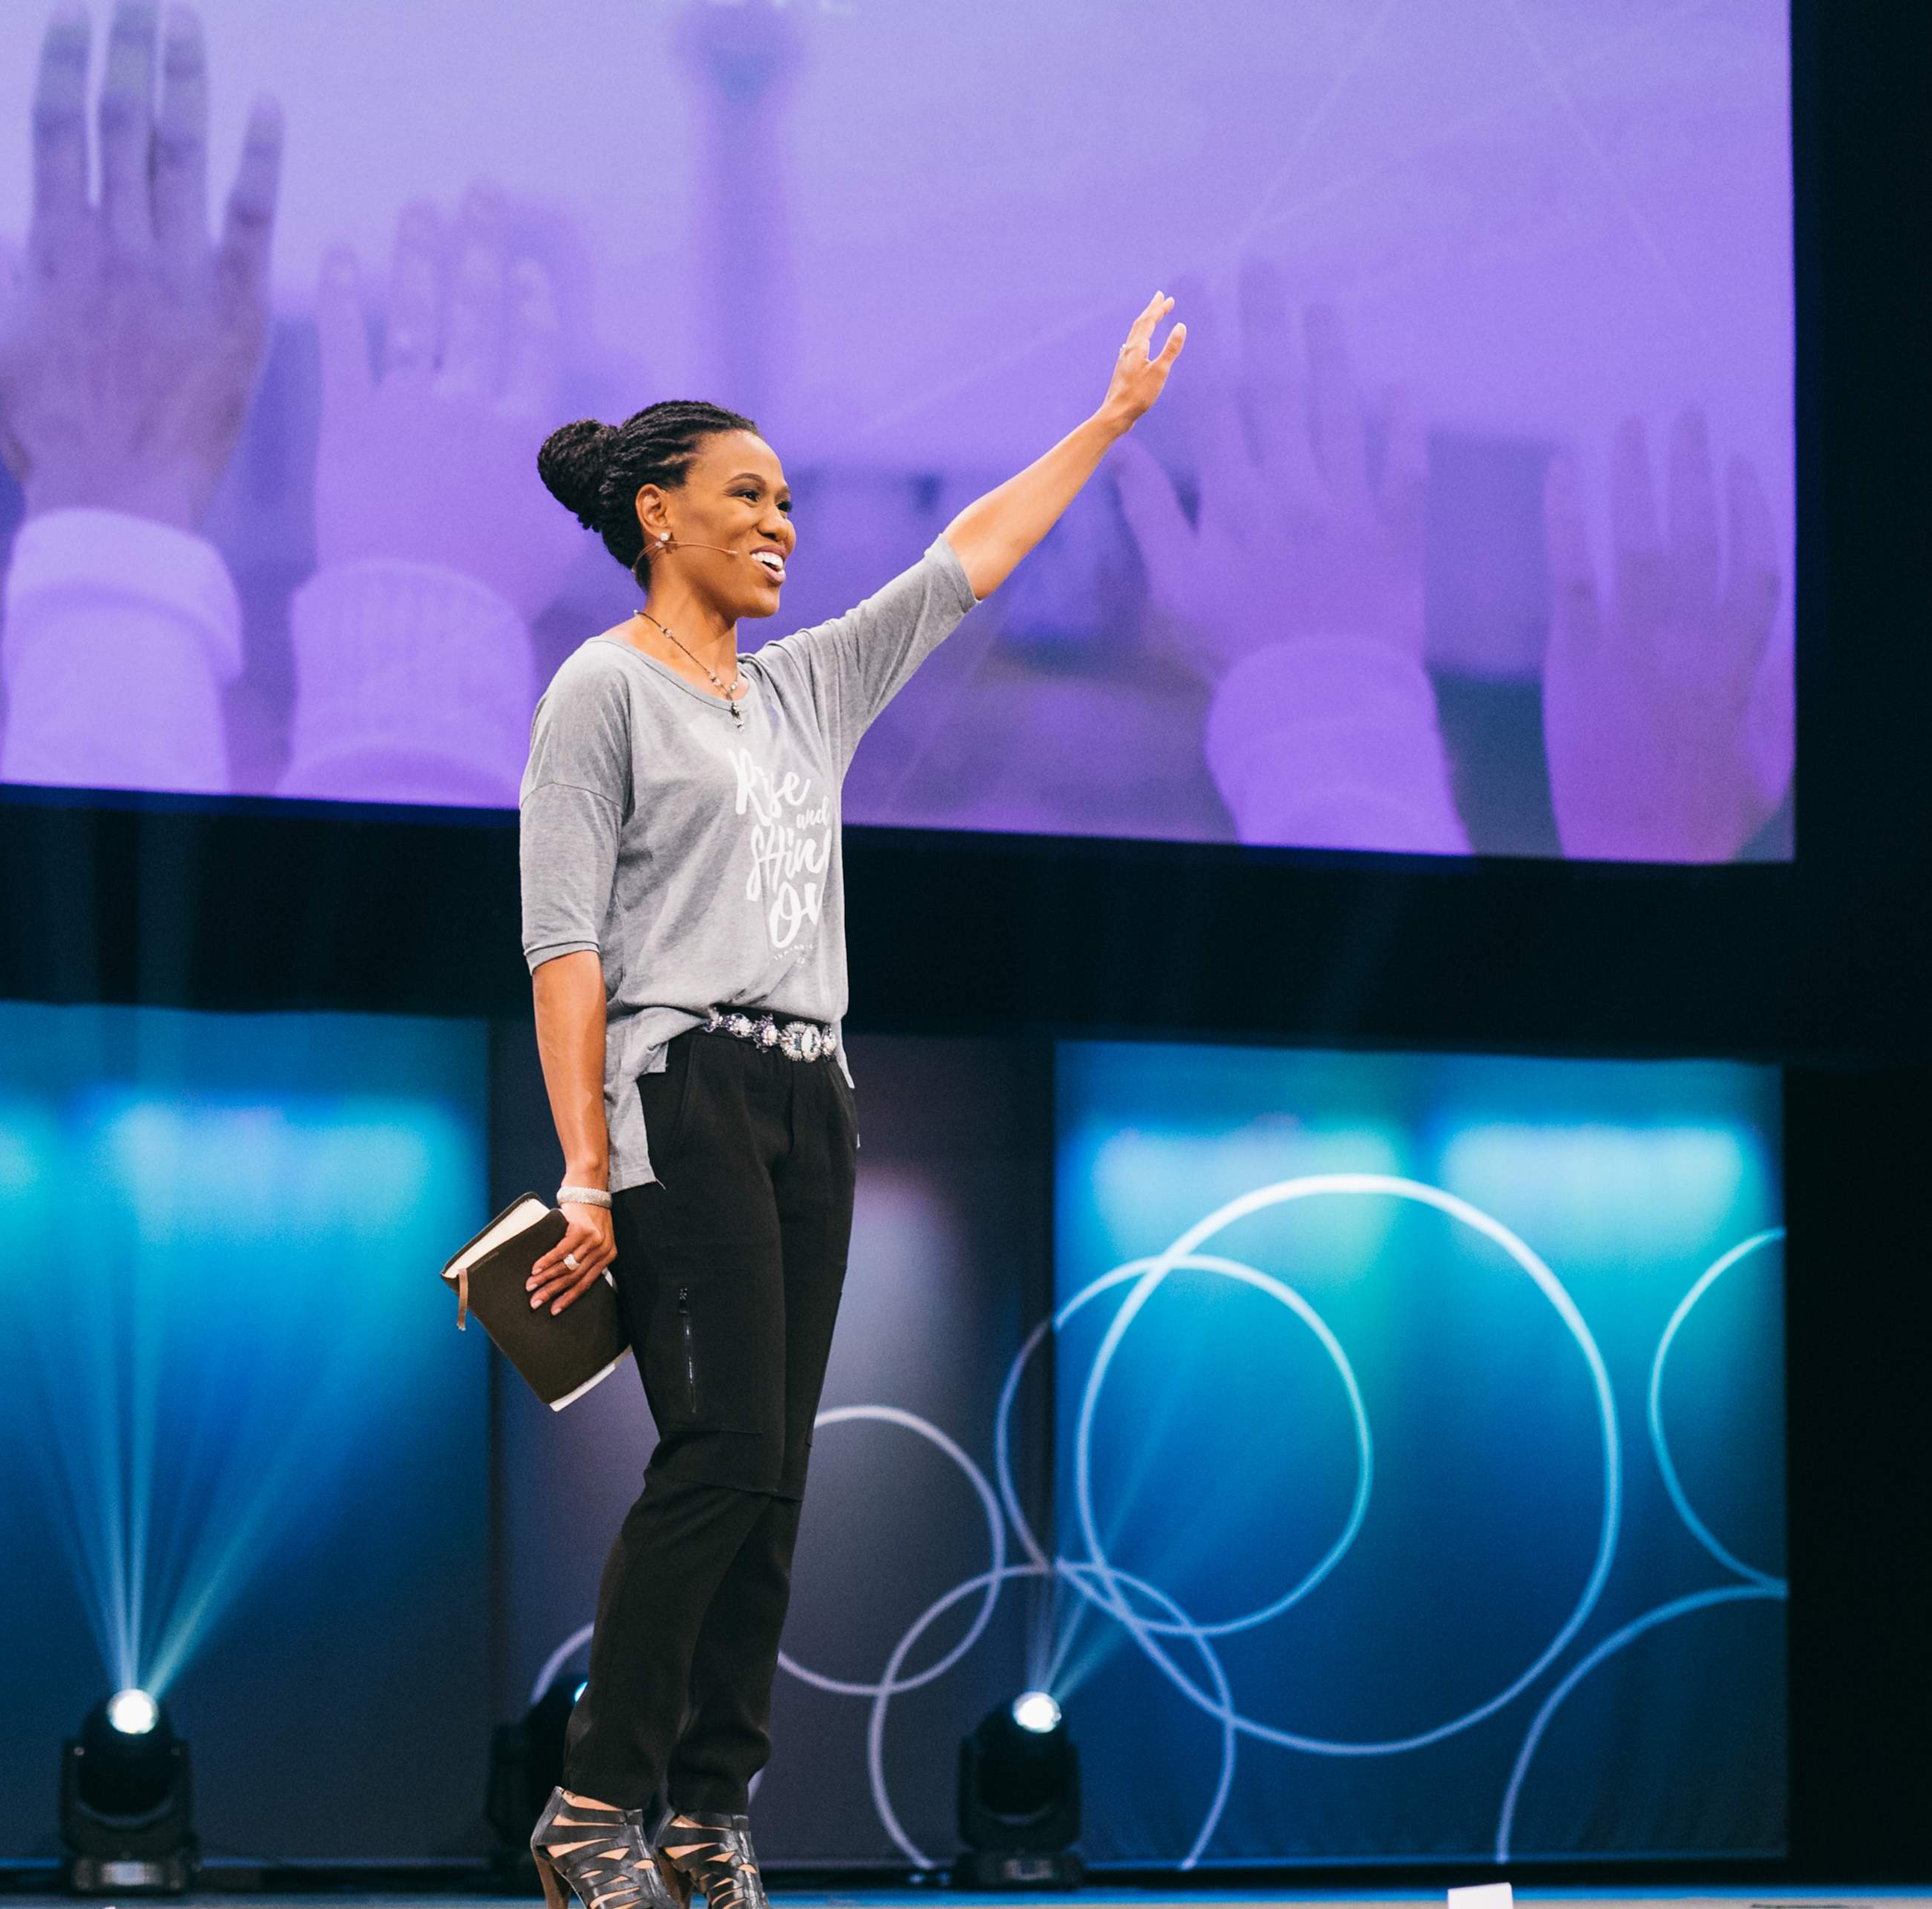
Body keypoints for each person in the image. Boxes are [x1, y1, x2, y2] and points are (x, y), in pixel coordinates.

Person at [511, 296, 1185, 1909]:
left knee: (774, 1479)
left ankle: (709, 1811)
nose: (783, 525)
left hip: (814, 1093)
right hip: (682, 1081)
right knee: (720, 1453)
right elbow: (564, 947)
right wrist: (589, 1172)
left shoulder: (804, 687)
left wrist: (1106, 425)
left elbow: (966, 561)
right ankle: (593, 1804)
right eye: (747, 495)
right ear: (657, 512)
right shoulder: (601, 691)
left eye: (791, 500)